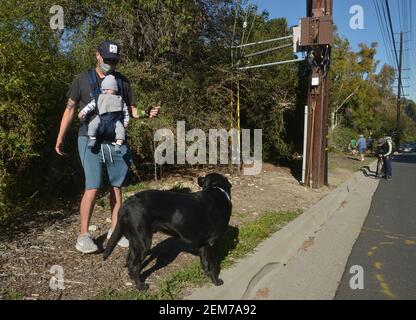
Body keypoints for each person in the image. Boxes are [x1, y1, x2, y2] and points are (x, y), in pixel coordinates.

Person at [55, 40, 160, 253]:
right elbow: (70, 110)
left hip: (113, 139)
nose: (110, 64)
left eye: (114, 60)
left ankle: (116, 230)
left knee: (116, 186)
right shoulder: (81, 80)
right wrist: (60, 137)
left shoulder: (122, 81)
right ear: (97, 55)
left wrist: (147, 114)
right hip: (89, 137)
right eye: (107, 59)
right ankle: (83, 236)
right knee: (92, 186)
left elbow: (131, 110)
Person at [78, 74, 129, 153]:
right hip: (101, 117)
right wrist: (83, 112)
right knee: (92, 125)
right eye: (103, 89)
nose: (105, 91)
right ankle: (92, 139)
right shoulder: (100, 97)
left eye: (107, 89)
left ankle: (118, 145)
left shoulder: (120, 100)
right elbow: (91, 105)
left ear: (114, 89)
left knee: (121, 130)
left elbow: (125, 111)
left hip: (115, 120)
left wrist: (126, 121)